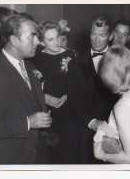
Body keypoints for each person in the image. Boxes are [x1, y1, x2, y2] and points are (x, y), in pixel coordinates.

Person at [0, 13, 57, 164]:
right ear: (13, 40)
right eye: (32, 36)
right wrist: (27, 123)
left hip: (38, 157)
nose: (38, 42)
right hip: (9, 160)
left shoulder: (31, 67)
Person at [67, 14, 119, 164]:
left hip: (115, 130)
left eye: (102, 35)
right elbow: (74, 99)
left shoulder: (121, 60)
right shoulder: (75, 63)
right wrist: (92, 122)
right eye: (93, 34)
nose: (96, 40)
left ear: (110, 36)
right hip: (86, 131)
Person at [29, 21, 79, 164]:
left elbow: (80, 86)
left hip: (69, 111)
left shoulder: (72, 56)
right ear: (41, 41)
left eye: (57, 37)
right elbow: (30, 87)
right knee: (49, 156)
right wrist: (43, 98)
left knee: (68, 154)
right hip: (46, 112)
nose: (56, 42)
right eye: (50, 39)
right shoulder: (35, 58)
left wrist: (67, 96)